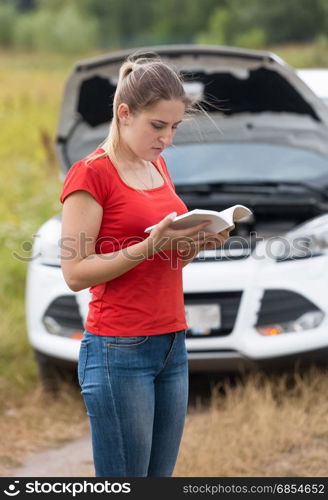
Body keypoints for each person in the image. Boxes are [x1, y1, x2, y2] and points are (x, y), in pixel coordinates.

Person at [59, 52, 234, 477]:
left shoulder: (158, 165)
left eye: (174, 127)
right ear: (124, 114)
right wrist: (147, 246)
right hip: (119, 348)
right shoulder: (90, 175)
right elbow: (75, 274)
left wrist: (197, 244)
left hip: (172, 342)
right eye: (158, 126)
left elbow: (164, 259)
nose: (167, 138)